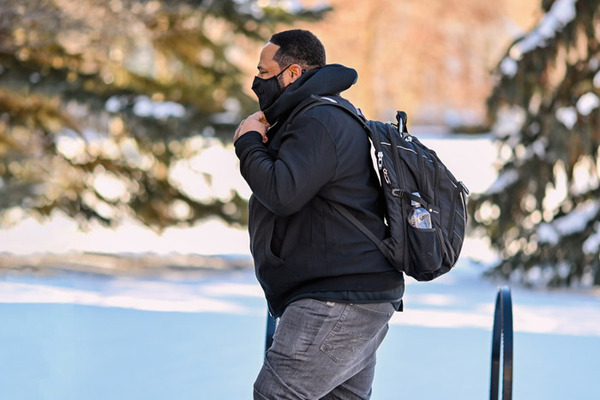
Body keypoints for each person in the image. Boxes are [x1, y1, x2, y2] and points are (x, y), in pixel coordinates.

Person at [234, 29, 404, 400]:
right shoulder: (317, 116)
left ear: (292, 74)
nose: (255, 83)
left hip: (336, 298)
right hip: (351, 295)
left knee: (276, 394)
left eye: (263, 73)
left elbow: (282, 192)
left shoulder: (319, 120)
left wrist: (247, 143)